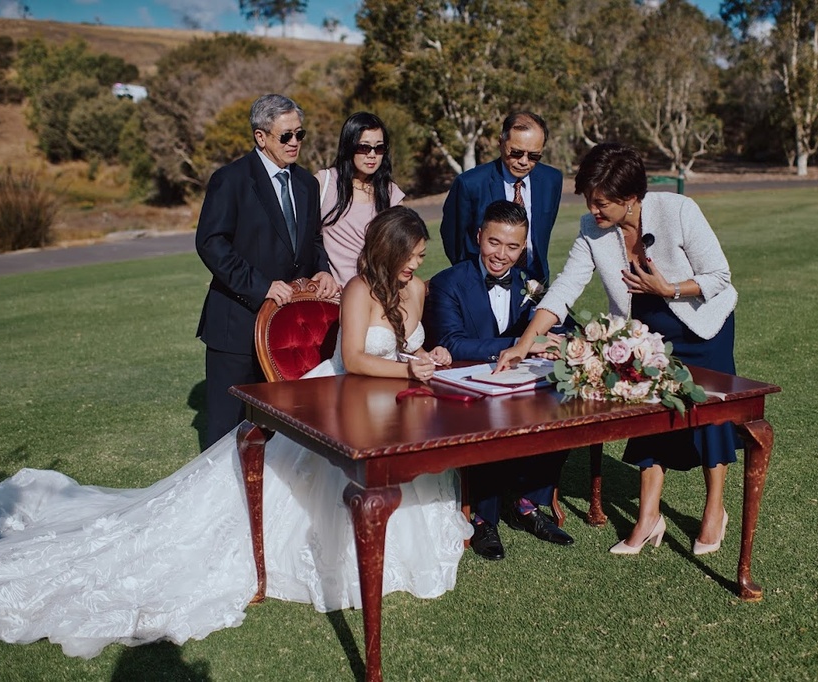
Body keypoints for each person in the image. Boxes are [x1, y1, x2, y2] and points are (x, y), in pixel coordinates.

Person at [0, 206, 470, 658]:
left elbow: (407, 348)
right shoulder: (359, 290)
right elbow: (355, 358)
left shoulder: (418, 288)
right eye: (411, 255)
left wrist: (429, 358)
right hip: (337, 398)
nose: (416, 266)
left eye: (421, 257)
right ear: (387, 250)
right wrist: (409, 370)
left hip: (394, 403)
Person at [496, 143, 739, 557]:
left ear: (630, 199)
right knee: (647, 412)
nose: (593, 209)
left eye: (602, 202)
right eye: (589, 200)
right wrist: (526, 342)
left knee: (709, 416)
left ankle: (714, 509)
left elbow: (719, 274)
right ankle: (648, 517)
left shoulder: (678, 209)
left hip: (703, 328)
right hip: (645, 335)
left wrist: (670, 289)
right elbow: (566, 288)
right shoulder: (593, 229)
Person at [425, 200, 572, 560]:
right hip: (465, 387)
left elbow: (560, 325)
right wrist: (524, 345)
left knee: (565, 408)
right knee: (490, 419)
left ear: (523, 249)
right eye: (494, 242)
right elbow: (451, 342)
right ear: (479, 237)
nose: (501, 255)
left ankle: (529, 503)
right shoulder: (449, 282)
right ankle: (483, 519)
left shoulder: (531, 283)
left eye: (512, 247)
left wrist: (561, 340)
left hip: (518, 384)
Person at [196, 93, 338, 446]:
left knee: (285, 432)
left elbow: (314, 240)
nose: (295, 143)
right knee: (228, 433)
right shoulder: (230, 180)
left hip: (290, 333)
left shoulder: (306, 184)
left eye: (299, 134)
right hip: (236, 327)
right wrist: (260, 286)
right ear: (261, 136)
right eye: (285, 136)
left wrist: (322, 270)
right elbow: (211, 242)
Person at [440, 111, 563, 285]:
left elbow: (543, 228)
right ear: (501, 142)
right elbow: (453, 239)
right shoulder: (470, 184)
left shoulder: (552, 180)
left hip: (535, 282)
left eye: (534, 156)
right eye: (516, 153)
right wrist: (474, 276)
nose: (524, 161)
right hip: (482, 283)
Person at [316, 112, 406, 287]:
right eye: (364, 147)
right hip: (333, 297)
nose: (372, 155)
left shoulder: (391, 194)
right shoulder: (324, 183)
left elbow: (401, 249)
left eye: (379, 148)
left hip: (378, 293)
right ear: (349, 147)